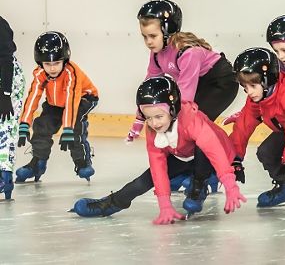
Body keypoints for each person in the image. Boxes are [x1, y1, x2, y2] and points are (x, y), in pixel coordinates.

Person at [72, 76, 246, 224]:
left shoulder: (192, 120)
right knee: (143, 180)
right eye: (148, 118)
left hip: (213, 159)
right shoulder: (152, 130)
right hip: (184, 156)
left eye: (158, 116)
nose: (154, 123)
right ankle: (112, 203)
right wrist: (165, 206)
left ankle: (199, 184)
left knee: (203, 150)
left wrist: (231, 186)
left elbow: (215, 152)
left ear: (173, 109)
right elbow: (157, 168)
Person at [126, 0, 239, 191]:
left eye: (152, 36)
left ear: (168, 30)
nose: (148, 42)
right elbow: (149, 86)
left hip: (221, 83)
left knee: (193, 125)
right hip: (200, 83)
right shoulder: (157, 53)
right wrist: (139, 116)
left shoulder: (188, 53)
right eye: (144, 37)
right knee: (180, 125)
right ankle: (186, 171)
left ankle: (206, 176)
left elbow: (185, 99)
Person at [15, 31, 99, 183]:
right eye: (48, 64)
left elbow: (71, 101)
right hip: (56, 102)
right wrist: (24, 124)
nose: (52, 69)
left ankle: (82, 162)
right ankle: (38, 163)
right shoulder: (39, 73)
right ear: (41, 63)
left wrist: (67, 128)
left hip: (83, 98)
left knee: (75, 127)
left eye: (56, 63)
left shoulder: (71, 73)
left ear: (65, 60)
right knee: (42, 126)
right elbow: (33, 97)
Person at [230, 47, 285, 209]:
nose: (249, 92)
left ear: (267, 80)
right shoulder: (258, 99)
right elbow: (243, 126)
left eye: (253, 86)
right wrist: (235, 158)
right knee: (266, 151)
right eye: (245, 87)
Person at [223, 14, 285, 126]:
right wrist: (246, 114)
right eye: (276, 51)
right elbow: (269, 94)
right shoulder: (281, 67)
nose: (280, 56)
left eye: (284, 50)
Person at [0, 16, 25, 199]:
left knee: (5, 126)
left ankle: (4, 175)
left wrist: (5, 94)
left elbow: (6, 59)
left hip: (8, 79)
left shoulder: (0, 25)